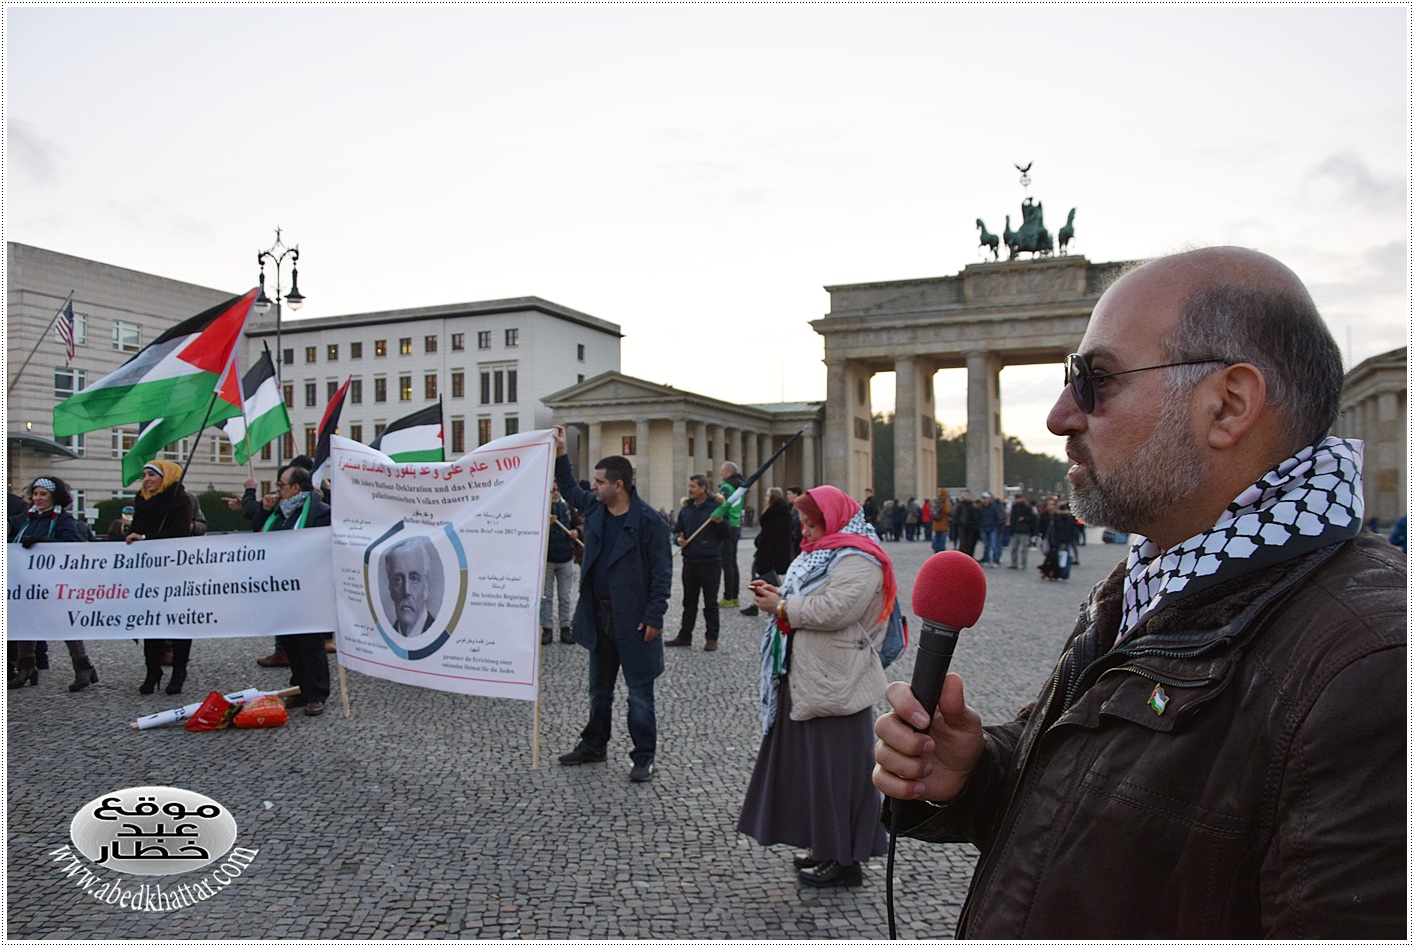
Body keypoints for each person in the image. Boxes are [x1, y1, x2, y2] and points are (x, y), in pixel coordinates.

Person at [873, 246, 1405, 938]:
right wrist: (978, 771)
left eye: (1095, 381)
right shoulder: (1154, 579)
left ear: (1228, 405)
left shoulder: (1375, 672)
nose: (1060, 414)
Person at [738, 485, 895, 888]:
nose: (805, 533)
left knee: (838, 774)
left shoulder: (859, 558)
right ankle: (824, 845)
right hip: (812, 676)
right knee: (814, 770)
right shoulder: (826, 551)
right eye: (803, 524)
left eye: (811, 524)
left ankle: (844, 859)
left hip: (837, 681)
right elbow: (810, 600)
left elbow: (835, 608)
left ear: (833, 520)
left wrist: (783, 607)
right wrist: (779, 596)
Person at [553, 427, 672, 783]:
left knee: (639, 695)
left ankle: (644, 755)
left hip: (635, 621)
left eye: (599, 482)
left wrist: (654, 616)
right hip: (598, 615)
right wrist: (561, 452)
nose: (594, 487)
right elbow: (572, 489)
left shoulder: (650, 522)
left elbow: (662, 576)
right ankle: (594, 744)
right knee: (598, 691)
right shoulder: (596, 507)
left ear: (618, 485)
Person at [7, 476, 99, 691]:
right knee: (24, 623)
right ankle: (26, 666)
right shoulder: (26, 517)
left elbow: (72, 544)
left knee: (63, 623)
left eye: (42, 495)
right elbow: (12, 527)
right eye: (35, 494)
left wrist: (43, 542)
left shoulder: (63, 520)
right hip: (27, 582)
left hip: (54, 583)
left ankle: (82, 665)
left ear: (53, 498)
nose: (37, 498)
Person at [261, 465, 333, 716]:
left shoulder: (321, 513)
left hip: (310, 587)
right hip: (283, 587)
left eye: (281, 484)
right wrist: (264, 511)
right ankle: (300, 688)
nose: (277, 489)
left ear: (296, 488)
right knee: (290, 642)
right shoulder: (279, 514)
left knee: (310, 643)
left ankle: (317, 693)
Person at [126, 461, 195, 695]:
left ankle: (179, 671)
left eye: (152, 475)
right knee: (150, 622)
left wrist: (146, 538)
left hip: (175, 571)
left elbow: (179, 531)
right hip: (149, 572)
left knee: (179, 624)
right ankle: (152, 670)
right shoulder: (141, 500)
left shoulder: (180, 500)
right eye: (144, 474)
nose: (146, 479)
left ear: (166, 477)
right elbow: (135, 528)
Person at [667, 475, 727, 651]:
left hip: (710, 562)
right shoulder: (686, 510)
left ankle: (711, 638)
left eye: (693, 486)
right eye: (690, 485)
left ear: (703, 488)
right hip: (690, 561)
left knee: (710, 602)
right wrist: (678, 540)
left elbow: (727, 535)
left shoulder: (716, 509)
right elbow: (677, 532)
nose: (690, 489)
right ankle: (685, 636)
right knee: (689, 602)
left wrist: (720, 522)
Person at [741, 486, 794, 617]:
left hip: (770, 551)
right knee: (762, 577)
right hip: (769, 550)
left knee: (762, 578)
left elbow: (771, 533)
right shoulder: (778, 510)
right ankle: (759, 603)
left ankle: (766, 603)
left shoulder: (776, 511)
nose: (765, 497)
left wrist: (760, 541)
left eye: (767, 495)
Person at [542, 484, 578, 645]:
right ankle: (547, 629)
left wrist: (577, 531)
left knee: (565, 596)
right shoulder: (541, 508)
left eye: (557, 489)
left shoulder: (567, 507)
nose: (555, 492)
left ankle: (565, 628)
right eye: (552, 490)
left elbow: (579, 523)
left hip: (566, 558)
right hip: (548, 559)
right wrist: (545, 524)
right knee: (547, 597)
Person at [384, 536, 439, 636]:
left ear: (426, 587)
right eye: (398, 580)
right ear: (390, 588)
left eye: (414, 578)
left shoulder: (439, 633)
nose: (406, 591)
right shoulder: (384, 636)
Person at [716, 461, 746, 608]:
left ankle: (728, 596)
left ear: (728, 472)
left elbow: (720, 505)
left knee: (726, 563)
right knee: (733, 562)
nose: (720, 473)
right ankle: (734, 596)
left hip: (727, 524)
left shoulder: (726, 487)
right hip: (736, 524)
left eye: (722, 471)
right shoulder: (739, 486)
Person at [1006, 495, 1037, 569]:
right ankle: (1014, 563)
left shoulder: (1027, 507)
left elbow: (1033, 518)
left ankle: (1023, 564)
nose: (1017, 500)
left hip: (1025, 531)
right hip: (1015, 530)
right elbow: (1012, 519)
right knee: (1014, 548)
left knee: (1023, 549)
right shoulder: (1014, 507)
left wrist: (1024, 519)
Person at [976, 491, 1005, 565]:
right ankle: (986, 559)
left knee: (994, 544)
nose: (984, 500)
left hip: (993, 528)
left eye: (986, 498)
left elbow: (1000, 517)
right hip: (984, 528)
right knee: (986, 545)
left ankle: (996, 559)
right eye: (983, 498)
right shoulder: (981, 508)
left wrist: (997, 526)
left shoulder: (995, 507)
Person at [930, 487, 952, 552]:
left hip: (936, 523)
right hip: (943, 523)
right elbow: (948, 511)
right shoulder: (945, 502)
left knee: (937, 537)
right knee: (942, 539)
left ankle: (936, 549)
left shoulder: (936, 501)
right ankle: (941, 551)